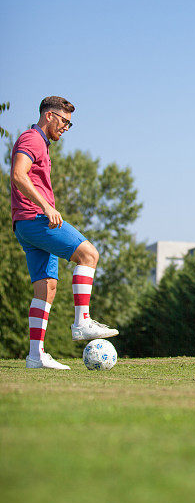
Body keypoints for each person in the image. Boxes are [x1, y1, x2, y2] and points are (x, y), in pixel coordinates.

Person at [10, 96, 118, 369]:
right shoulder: (32, 139)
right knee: (88, 254)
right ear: (49, 116)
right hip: (35, 219)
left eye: (70, 124)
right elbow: (18, 175)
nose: (66, 128)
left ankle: (35, 356)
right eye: (64, 121)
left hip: (25, 224)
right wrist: (46, 206)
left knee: (46, 288)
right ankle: (82, 321)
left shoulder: (41, 144)